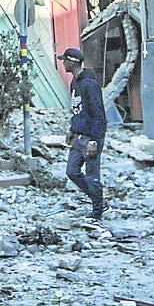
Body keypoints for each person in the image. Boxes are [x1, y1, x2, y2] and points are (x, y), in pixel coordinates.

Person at [58, 47, 107, 221]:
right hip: (79, 136)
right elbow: (79, 111)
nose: (63, 63)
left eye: (65, 60)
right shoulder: (75, 83)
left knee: (92, 175)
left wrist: (93, 140)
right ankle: (98, 197)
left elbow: (97, 113)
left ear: (72, 62)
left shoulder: (89, 84)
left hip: (90, 137)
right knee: (72, 171)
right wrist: (72, 129)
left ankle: (97, 211)